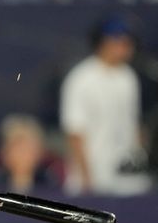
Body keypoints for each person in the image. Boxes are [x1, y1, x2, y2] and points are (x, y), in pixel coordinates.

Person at [59, 16, 149, 195]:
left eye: (126, 42)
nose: (124, 48)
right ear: (102, 44)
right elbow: (74, 131)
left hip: (126, 176)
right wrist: (86, 178)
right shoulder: (82, 78)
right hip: (94, 174)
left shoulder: (128, 77)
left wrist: (140, 159)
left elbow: (133, 124)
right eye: (117, 42)